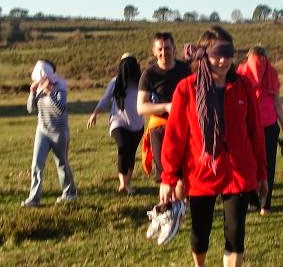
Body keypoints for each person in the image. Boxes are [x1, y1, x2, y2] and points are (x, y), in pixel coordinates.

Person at [159, 27, 267, 267]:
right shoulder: (187, 88)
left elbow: (255, 131)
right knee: (200, 234)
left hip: (238, 171)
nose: (224, 61)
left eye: (229, 54)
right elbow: (176, 136)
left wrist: (262, 174)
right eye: (218, 55)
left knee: (236, 233)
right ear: (205, 55)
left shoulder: (242, 86)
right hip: (201, 171)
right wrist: (169, 177)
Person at [236, 46, 283, 215]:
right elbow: (277, 103)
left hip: (247, 125)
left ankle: (252, 201)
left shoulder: (242, 71)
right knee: (269, 165)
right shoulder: (271, 72)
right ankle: (266, 204)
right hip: (269, 124)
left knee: (249, 163)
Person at [138, 32, 191, 198]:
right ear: (154, 51)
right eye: (159, 49)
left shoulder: (185, 69)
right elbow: (141, 107)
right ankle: (169, 210)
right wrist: (166, 107)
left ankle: (179, 208)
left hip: (184, 127)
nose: (164, 52)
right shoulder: (149, 75)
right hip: (160, 129)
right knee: (166, 176)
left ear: (174, 49)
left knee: (183, 175)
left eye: (167, 48)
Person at [22, 60, 77, 206]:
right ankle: (34, 199)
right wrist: (32, 92)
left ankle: (70, 193)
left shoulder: (61, 86)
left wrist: (50, 92)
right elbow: (30, 109)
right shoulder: (37, 86)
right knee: (36, 165)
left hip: (59, 132)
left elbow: (60, 110)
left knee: (62, 163)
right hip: (42, 131)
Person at [87, 54, 144, 194]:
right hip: (118, 122)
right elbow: (105, 99)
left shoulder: (142, 82)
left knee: (131, 153)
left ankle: (127, 183)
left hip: (137, 125)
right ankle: (122, 184)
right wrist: (95, 114)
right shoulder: (115, 83)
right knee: (123, 148)